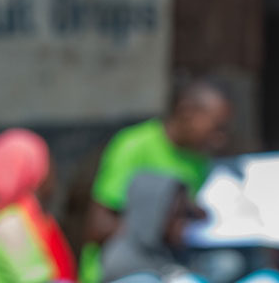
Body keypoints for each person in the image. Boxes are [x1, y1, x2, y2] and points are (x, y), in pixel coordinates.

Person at [82, 77, 237, 283]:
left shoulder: (200, 162)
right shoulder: (133, 146)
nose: (220, 139)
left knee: (229, 263)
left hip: (170, 262)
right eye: (216, 128)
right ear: (187, 113)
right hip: (124, 267)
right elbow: (98, 227)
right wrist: (157, 227)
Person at [102, 173, 279, 283]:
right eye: (176, 215)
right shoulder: (120, 259)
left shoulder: (174, 248)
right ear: (151, 216)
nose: (184, 223)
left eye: (186, 213)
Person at [0, 128, 77, 283]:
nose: (54, 176)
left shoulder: (34, 219)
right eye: (48, 166)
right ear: (35, 173)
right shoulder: (10, 226)